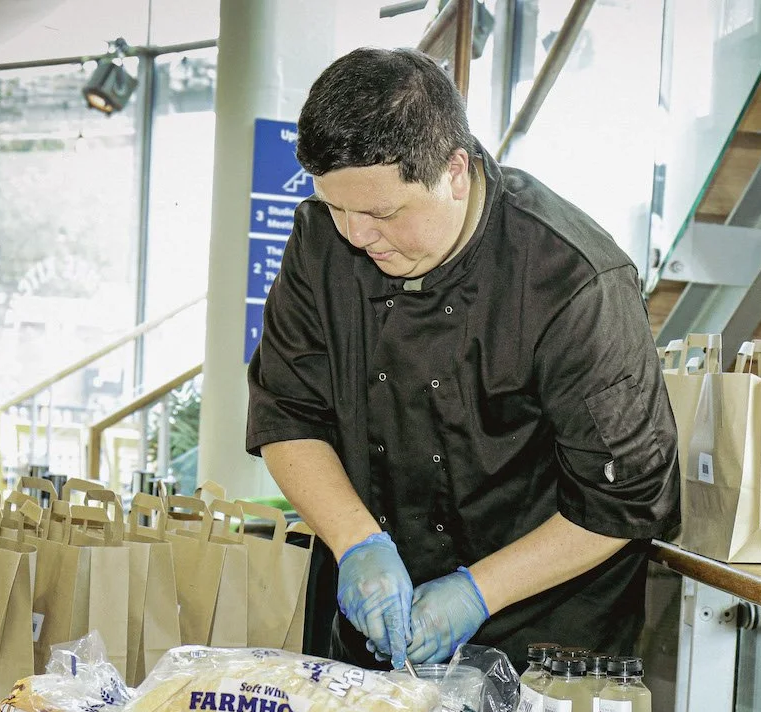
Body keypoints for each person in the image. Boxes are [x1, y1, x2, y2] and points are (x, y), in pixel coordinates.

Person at [246, 47, 678, 670]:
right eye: (336, 207)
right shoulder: (321, 242)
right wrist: (357, 541)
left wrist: (476, 593)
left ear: (455, 170)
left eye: (381, 212)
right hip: (374, 627)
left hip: (545, 638)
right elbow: (288, 414)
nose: (355, 235)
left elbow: (624, 501)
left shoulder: (575, 281)